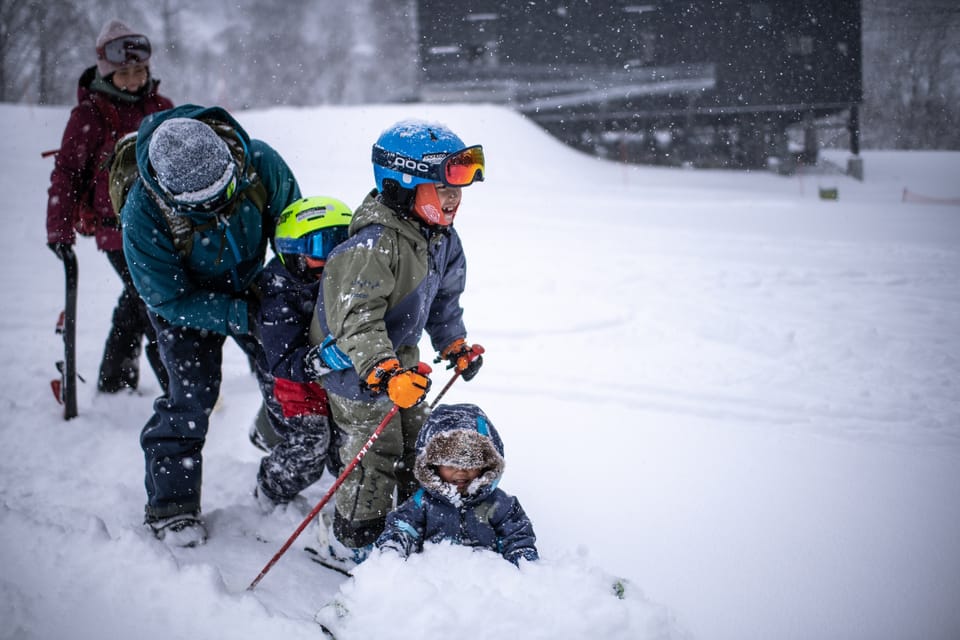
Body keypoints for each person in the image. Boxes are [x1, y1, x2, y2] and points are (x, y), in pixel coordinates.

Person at [121, 104, 301, 546]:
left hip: (254, 282)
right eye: (205, 204)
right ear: (171, 194)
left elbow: (294, 231)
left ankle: (276, 435)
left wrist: (286, 294)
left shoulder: (260, 164)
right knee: (190, 396)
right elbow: (165, 296)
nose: (220, 205)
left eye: (226, 191)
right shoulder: (142, 215)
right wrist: (236, 314)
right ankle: (171, 506)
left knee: (290, 374)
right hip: (186, 304)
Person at [309, 120, 486, 566]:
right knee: (375, 452)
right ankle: (352, 539)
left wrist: (453, 344)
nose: (454, 199)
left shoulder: (441, 238)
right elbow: (356, 320)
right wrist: (382, 372)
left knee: (417, 442)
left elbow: (443, 299)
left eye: (459, 188)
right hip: (352, 366)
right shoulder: (373, 244)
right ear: (401, 186)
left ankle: (413, 523)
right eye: (443, 189)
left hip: (401, 360)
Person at [46, 19, 173, 394]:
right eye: (124, 73)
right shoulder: (89, 115)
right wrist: (59, 229)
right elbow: (66, 174)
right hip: (113, 227)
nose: (133, 80)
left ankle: (114, 380)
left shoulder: (161, 107)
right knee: (150, 297)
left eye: (139, 71)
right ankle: (179, 382)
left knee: (136, 298)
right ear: (107, 72)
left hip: (160, 223)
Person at [252, 196, 355, 512]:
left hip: (333, 377)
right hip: (291, 381)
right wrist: (323, 359)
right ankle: (271, 489)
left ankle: (354, 503)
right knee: (310, 447)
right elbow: (283, 362)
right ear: (293, 250)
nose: (332, 256)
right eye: (320, 245)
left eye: (342, 242)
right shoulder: (279, 291)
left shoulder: (347, 278)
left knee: (348, 442)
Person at [374, 403, 539, 565]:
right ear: (433, 466)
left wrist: (522, 560)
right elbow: (402, 528)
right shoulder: (423, 502)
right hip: (436, 580)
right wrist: (392, 551)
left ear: (486, 464)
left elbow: (517, 535)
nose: (461, 472)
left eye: (470, 464)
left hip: (485, 580)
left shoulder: (499, 503)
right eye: (450, 465)